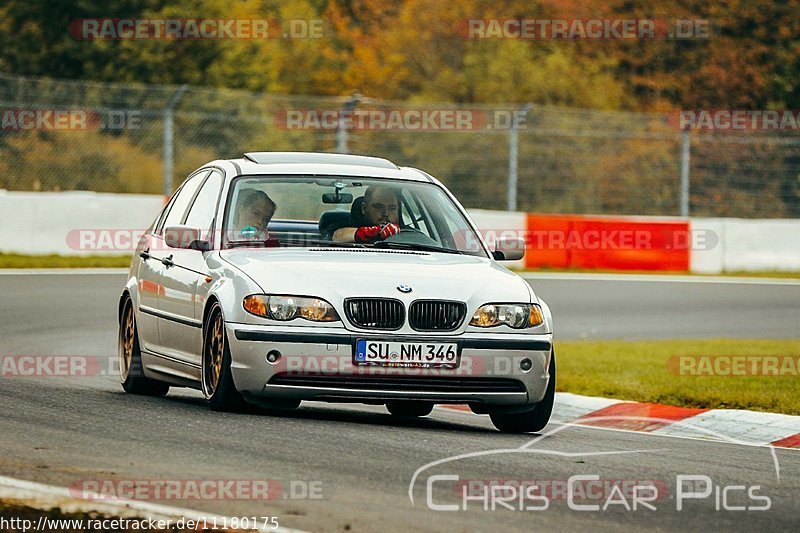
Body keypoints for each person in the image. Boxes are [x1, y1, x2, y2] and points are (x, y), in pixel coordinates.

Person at [332, 186, 402, 243]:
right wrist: (374, 232)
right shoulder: (346, 226)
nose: (386, 213)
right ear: (364, 208)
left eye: (392, 208)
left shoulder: (407, 233)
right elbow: (337, 236)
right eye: (379, 207)